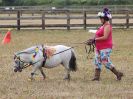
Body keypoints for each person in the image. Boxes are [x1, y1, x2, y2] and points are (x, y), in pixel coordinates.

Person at [87, 8, 123, 81]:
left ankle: (118, 74)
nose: (100, 19)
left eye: (101, 18)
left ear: (105, 18)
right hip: (99, 47)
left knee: (105, 61)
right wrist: (92, 40)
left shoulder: (107, 26)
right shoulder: (102, 26)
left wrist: (95, 39)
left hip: (105, 47)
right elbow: (98, 34)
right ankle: (97, 77)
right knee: (97, 61)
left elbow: (105, 37)